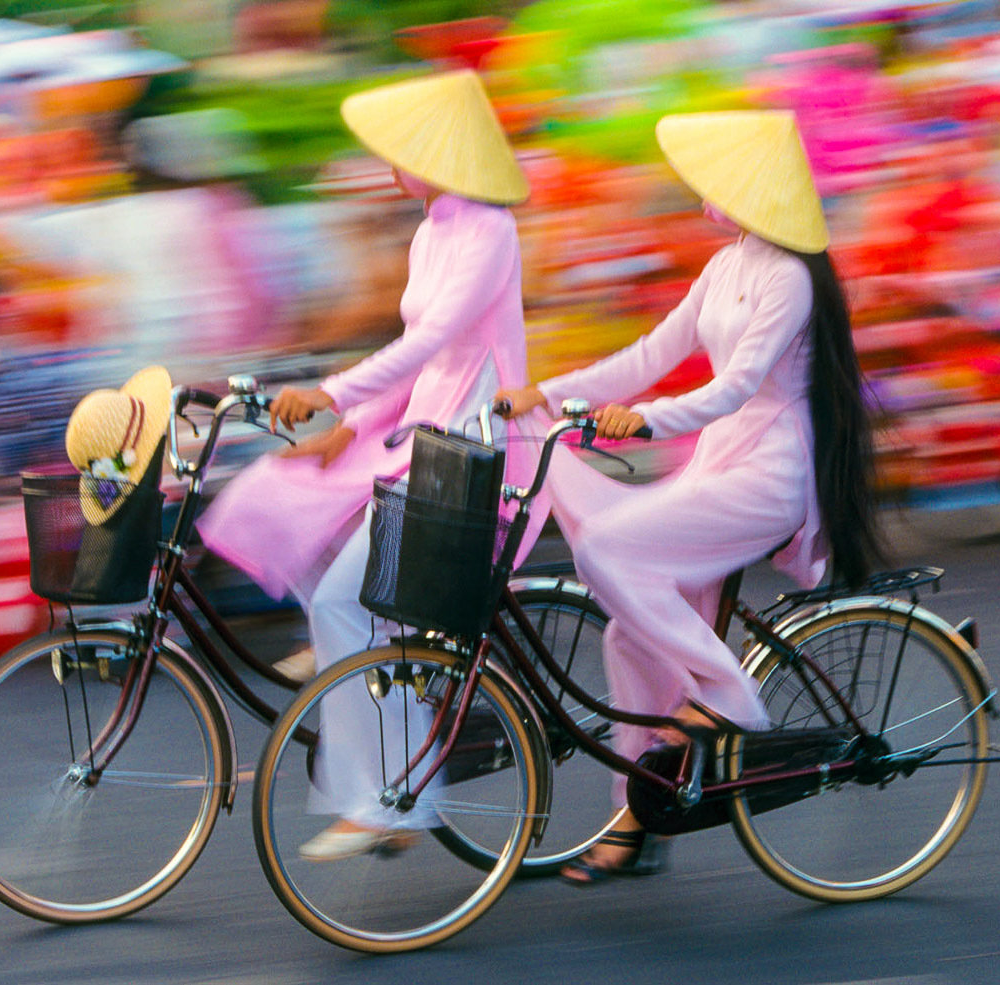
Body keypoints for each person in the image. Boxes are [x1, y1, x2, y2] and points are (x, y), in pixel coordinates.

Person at [494, 110, 883, 884]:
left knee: (607, 550)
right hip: (717, 461)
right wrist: (546, 390)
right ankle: (642, 817)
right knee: (626, 636)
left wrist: (644, 421)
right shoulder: (728, 264)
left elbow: (735, 387)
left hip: (768, 474)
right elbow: (650, 353)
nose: (702, 191)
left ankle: (731, 696)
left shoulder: (792, 279)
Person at [196, 69, 535, 861]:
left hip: (468, 449)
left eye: (402, 152)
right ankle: (362, 645)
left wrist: (330, 391)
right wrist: (343, 426)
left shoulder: (489, 230)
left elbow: (430, 342)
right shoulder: (431, 232)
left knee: (350, 599)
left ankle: (390, 798)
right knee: (283, 493)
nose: (390, 166)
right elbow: (421, 364)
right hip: (416, 431)